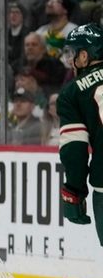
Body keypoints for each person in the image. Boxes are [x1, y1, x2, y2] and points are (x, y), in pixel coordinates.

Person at [57, 23, 103, 246]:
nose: (71, 60)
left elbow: (75, 150)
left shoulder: (72, 92)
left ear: (84, 56)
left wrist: (74, 190)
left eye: (73, 53)